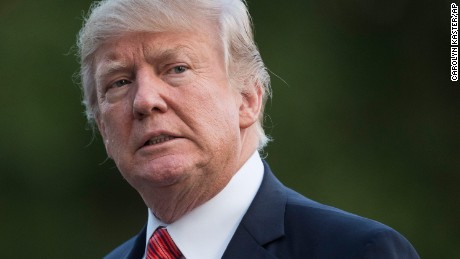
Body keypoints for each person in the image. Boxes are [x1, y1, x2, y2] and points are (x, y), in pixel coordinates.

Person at [76, 0, 420, 258]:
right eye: (120, 82)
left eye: (176, 68)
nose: (145, 100)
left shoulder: (357, 251)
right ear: (104, 129)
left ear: (248, 99)